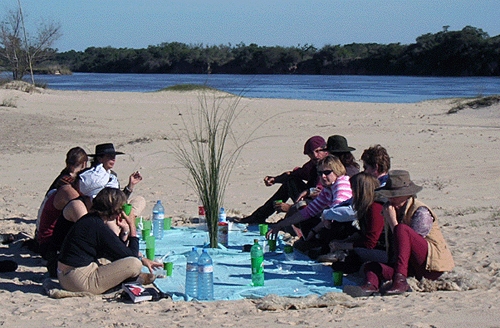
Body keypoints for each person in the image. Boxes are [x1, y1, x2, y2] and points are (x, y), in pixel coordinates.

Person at [344, 170, 455, 297]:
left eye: (395, 195)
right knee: (371, 266)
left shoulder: (421, 211)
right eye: (390, 195)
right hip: (408, 268)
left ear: (407, 194)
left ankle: (400, 281)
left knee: (401, 229)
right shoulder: (392, 209)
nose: (391, 198)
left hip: (430, 265)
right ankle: (370, 286)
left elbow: (410, 245)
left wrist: (393, 222)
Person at [57, 187, 162, 294]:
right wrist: (132, 226)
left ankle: (135, 279)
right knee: (135, 264)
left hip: (67, 273)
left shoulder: (91, 219)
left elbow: (117, 251)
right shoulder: (97, 226)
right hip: (76, 278)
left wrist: (125, 230)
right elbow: (131, 256)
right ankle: (135, 279)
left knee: (110, 260)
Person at [237, 136, 329, 225]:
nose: (315, 156)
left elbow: (322, 196)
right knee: (291, 182)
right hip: (309, 200)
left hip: (322, 208)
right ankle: (259, 216)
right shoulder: (313, 165)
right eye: (311, 153)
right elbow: (294, 174)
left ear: (325, 150)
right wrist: (275, 179)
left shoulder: (330, 166)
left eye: (317, 151)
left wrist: (291, 208)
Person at [267, 155, 352, 239]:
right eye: (320, 173)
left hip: (348, 227)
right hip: (335, 224)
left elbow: (337, 212)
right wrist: (280, 225)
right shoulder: (328, 189)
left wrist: (315, 230)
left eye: (327, 172)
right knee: (303, 212)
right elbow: (308, 211)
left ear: (336, 171)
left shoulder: (342, 184)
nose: (323, 176)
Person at [316, 172, 388, 271]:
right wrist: (343, 242)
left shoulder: (375, 208)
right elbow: (364, 233)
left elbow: (370, 242)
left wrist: (342, 245)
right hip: (377, 246)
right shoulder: (367, 207)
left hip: (384, 250)